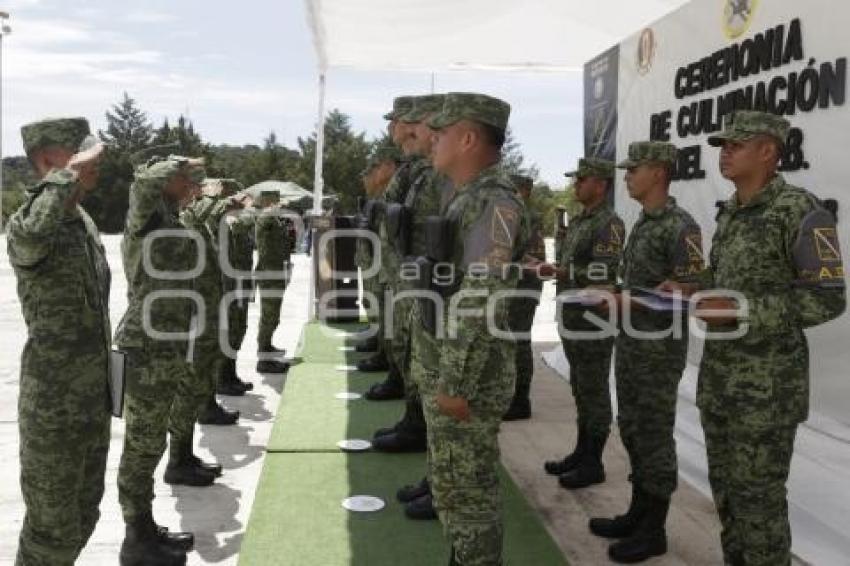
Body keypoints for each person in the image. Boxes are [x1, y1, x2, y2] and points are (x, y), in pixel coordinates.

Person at [663, 110, 846, 566]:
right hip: (721, 381)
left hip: (767, 390)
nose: (724, 153)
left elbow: (828, 298)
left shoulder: (801, 211)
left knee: (759, 502)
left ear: (768, 150)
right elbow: (724, 275)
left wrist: (740, 309)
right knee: (727, 494)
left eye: (735, 145)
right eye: (723, 145)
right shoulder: (732, 214)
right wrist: (693, 285)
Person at [419, 92, 529, 566]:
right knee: (454, 490)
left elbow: (480, 296)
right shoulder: (467, 198)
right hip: (452, 363)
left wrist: (453, 381)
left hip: (469, 374)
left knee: (469, 495)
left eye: (440, 134)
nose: (431, 142)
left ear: (467, 138)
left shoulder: (493, 203)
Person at [588, 141, 704, 563]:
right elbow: (644, 284)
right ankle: (638, 513)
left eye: (634, 169)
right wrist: (613, 294)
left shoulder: (681, 226)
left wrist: (627, 302)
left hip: (659, 350)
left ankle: (654, 529)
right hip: (633, 343)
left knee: (654, 434)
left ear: (658, 172)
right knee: (632, 426)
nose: (627, 176)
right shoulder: (642, 222)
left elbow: (685, 293)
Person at [8, 118, 111, 566]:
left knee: (84, 516)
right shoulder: (28, 225)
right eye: (84, 157)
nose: (95, 167)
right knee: (50, 532)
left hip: (93, 399)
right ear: (51, 161)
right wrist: (65, 176)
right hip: (54, 409)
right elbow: (29, 239)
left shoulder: (81, 220)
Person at [115, 148, 206, 566]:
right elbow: (144, 183)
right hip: (145, 347)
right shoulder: (145, 217)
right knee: (141, 445)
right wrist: (175, 162)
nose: (191, 187)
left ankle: (146, 526)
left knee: (150, 445)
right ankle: (136, 540)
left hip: (167, 345)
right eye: (185, 180)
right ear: (165, 180)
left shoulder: (171, 217)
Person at [540, 158, 623, 488]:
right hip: (574, 317)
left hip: (593, 321)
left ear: (601, 184)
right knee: (581, 388)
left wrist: (563, 273)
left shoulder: (609, 223)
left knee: (595, 391)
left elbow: (605, 273)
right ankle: (581, 451)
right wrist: (555, 268)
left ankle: (594, 462)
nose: (576, 185)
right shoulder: (579, 221)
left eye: (582, 180)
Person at [372, 94, 447, 458]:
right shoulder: (416, 169)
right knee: (411, 355)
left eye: (404, 120)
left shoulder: (433, 172)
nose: (397, 127)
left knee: (423, 360)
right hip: (404, 278)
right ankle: (415, 421)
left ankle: (419, 427)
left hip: (422, 284)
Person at [362, 95, 416, 396]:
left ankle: (410, 401)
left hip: (408, 276)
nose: (391, 127)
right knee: (397, 332)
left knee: (407, 337)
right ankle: (398, 380)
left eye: (397, 120)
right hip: (394, 270)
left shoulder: (417, 171)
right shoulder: (411, 171)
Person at [502, 173, 546, 421]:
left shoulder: (526, 216)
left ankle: (520, 400)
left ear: (524, 191)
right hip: (514, 285)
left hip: (524, 287)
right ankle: (513, 396)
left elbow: (534, 260)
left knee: (519, 342)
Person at [354, 145, 402, 373]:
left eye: (375, 168)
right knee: (374, 306)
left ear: (390, 166)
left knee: (385, 312)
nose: (368, 176)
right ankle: (380, 347)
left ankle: (386, 356)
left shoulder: (392, 194)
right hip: (374, 261)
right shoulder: (377, 196)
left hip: (386, 264)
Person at [255, 188, 293, 373]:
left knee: (273, 316)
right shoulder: (265, 217)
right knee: (268, 317)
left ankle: (267, 348)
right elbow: (267, 217)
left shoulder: (275, 219)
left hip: (276, 272)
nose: (279, 203)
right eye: (276, 200)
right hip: (269, 274)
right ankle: (264, 360)